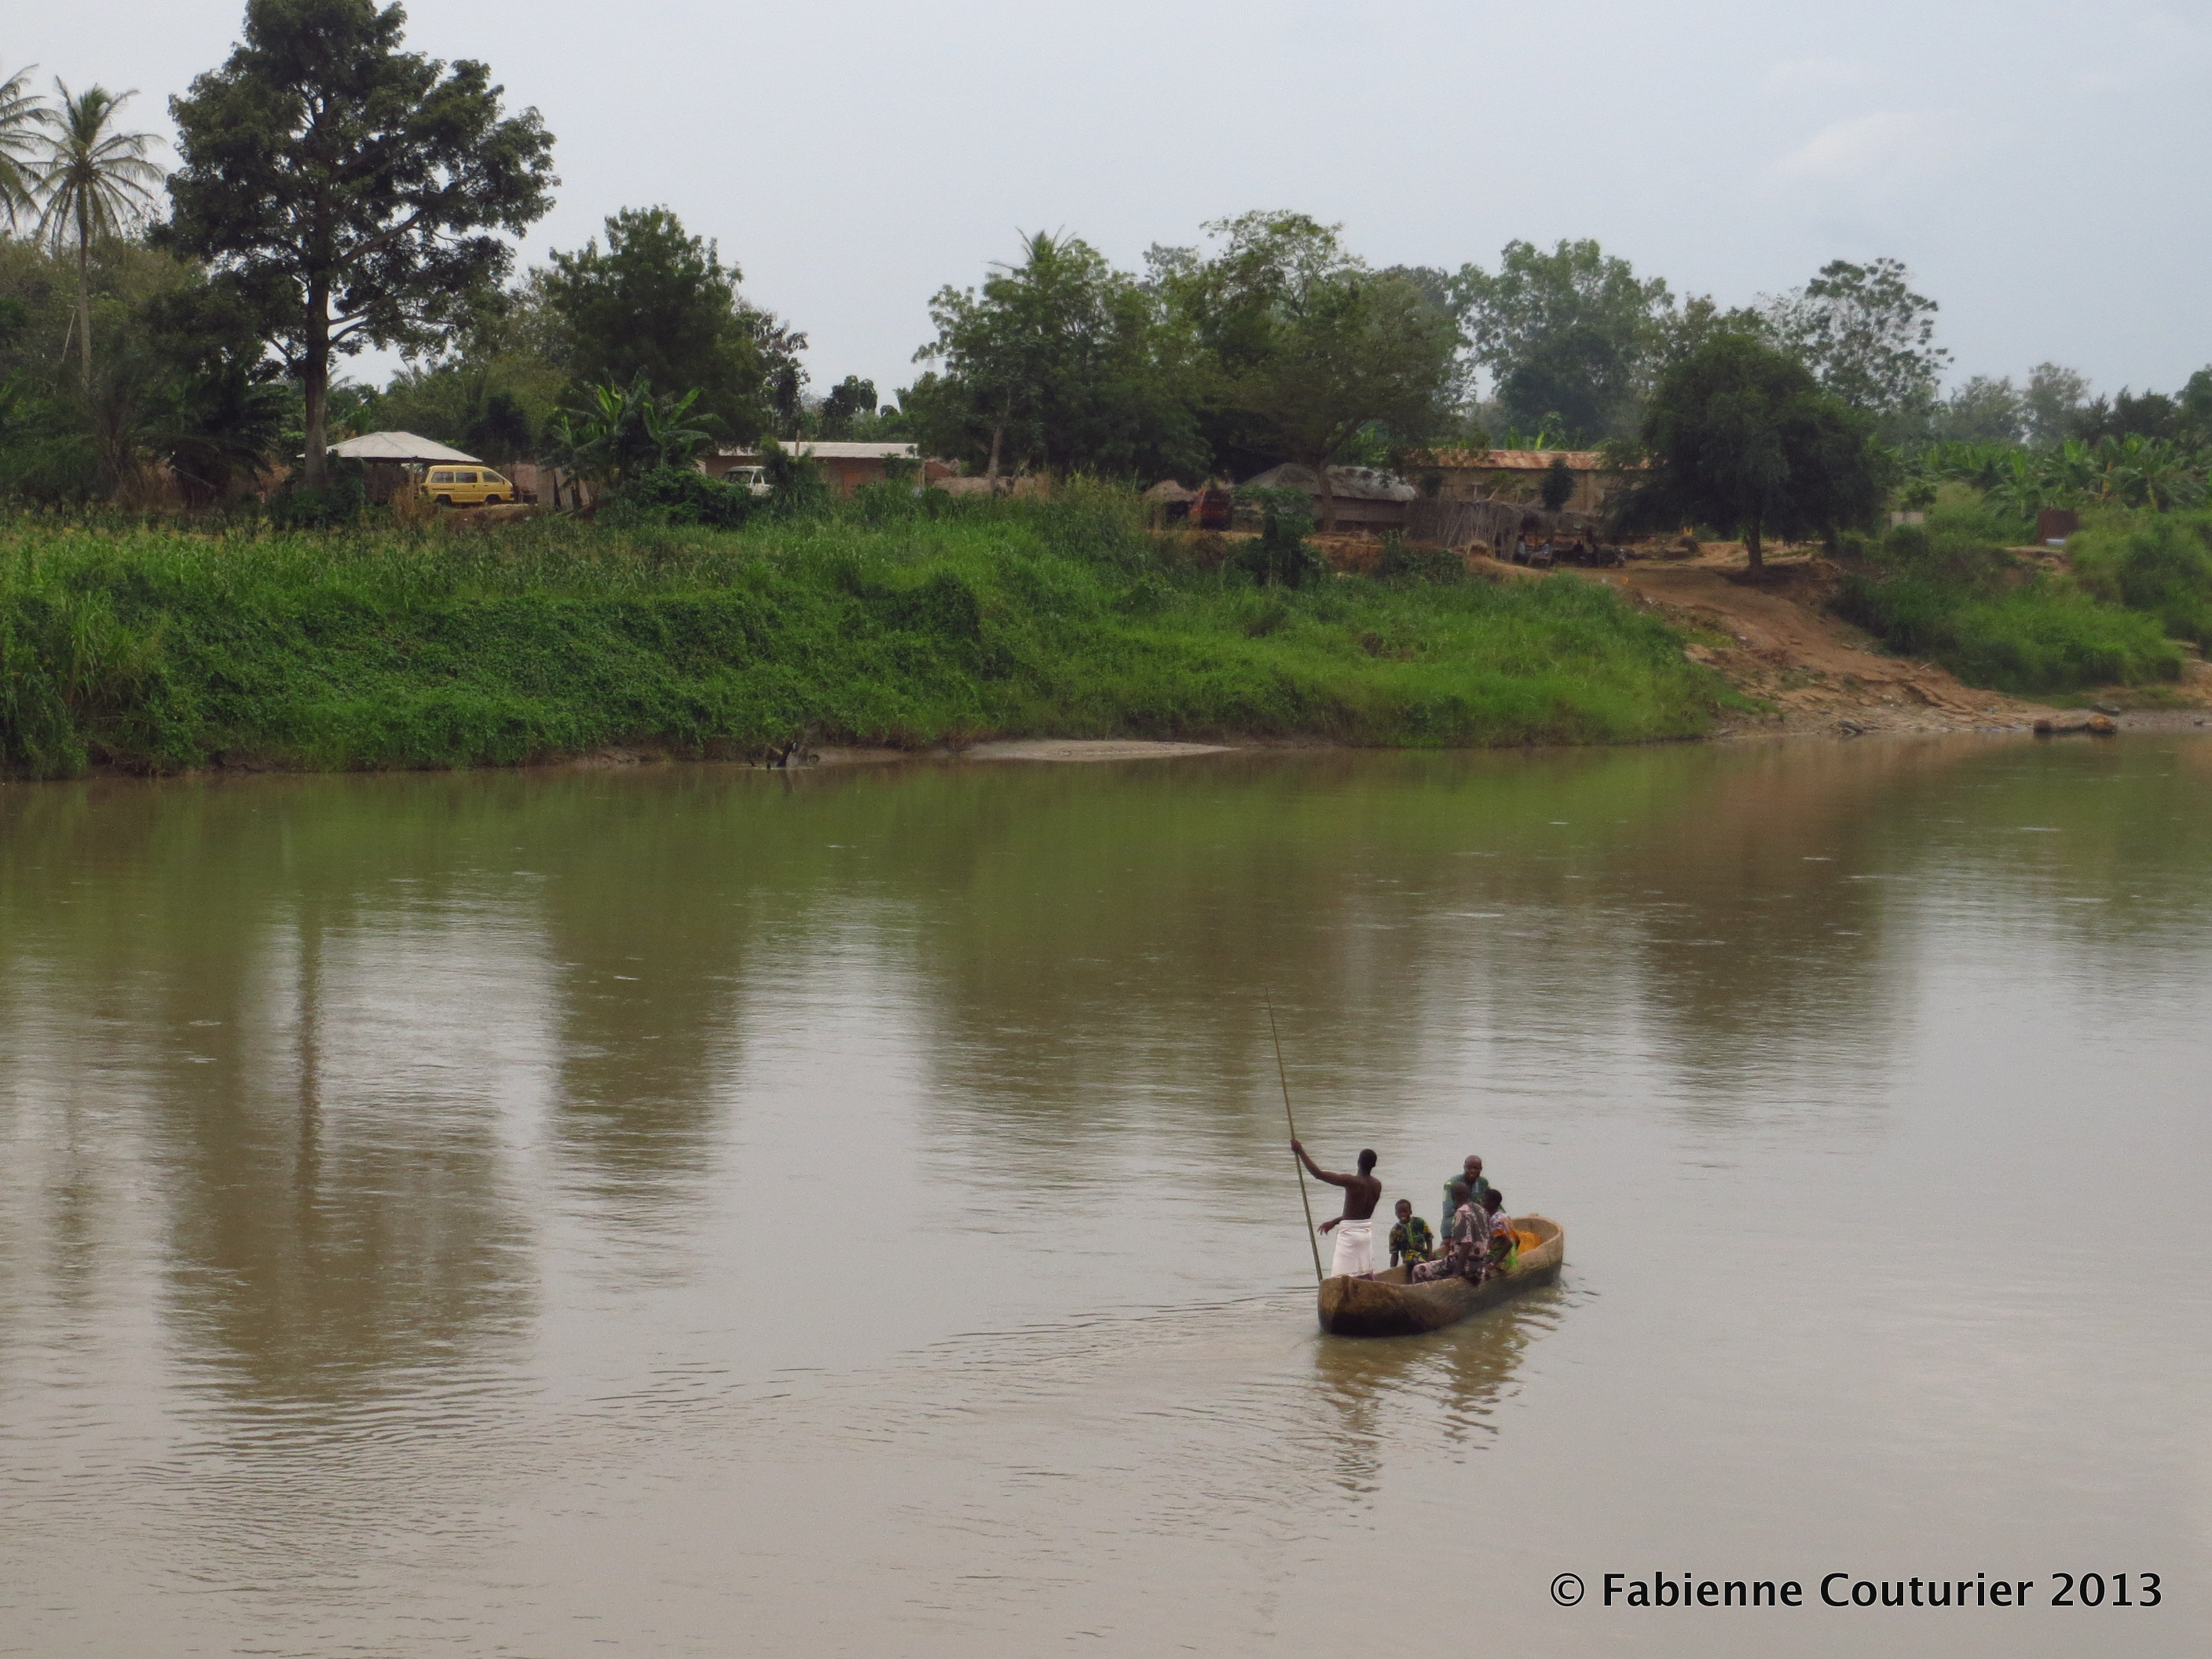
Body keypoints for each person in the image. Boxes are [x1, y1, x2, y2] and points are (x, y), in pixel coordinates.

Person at [1292, 1140, 1382, 1279]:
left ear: (1358, 1162)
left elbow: (1318, 1174)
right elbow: (1358, 1214)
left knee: (1339, 1276)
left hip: (1349, 1235)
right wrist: (1334, 1222)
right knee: (1363, 1273)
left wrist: (1300, 1151)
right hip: (1366, 1233)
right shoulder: (1377, 1185)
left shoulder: (1352, 1181)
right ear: (1374, 1165)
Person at [1412, 1179, 1485, 1284]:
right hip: (1479, 1266)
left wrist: (1457, 1272)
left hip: (1464, 1266)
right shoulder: (1481, 1210)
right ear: (1468, 1195)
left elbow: (1466, 1244)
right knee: (1438, 1262)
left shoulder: (1461, 1213)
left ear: (1454, 1197)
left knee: (1418, 1270)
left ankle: (1427, 1293)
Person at [1442, 1155, 1492, 1235]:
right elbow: (1448, 1212)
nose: (1472, 1171)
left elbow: (1494, 1203)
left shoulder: (1483, 1183)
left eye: (1476, 1168)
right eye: (1469, 1168)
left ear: (1481, 1169)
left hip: (1479, 1227)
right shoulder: (1452, 1184)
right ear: (1464, 1167)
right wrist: (1448, 1235)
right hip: (1455, 1226)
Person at [1387, 1199, 1434, 1271]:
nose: (1402, 1214)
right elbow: (1394, 1253)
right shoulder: (1395, 1231)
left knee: (1438, 1259)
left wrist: (1430, 1254)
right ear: (1396, 1214)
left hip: (1423, 1253)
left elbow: (1429, 1238)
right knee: (1415, 1261)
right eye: (1400, 1212)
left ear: (1410, 1212)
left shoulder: (1419, 1222)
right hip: (1409, 1259)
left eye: (1405, 1212)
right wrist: (1392, 1270)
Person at [1481, 1188, 1517, 1276]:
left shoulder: (1495, 1221)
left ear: (1493, 1203)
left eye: (1484, 1201)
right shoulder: (1505, 1217)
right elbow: (1517, 1240)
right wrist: (1512, 1257)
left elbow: (1508, 1244)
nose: (1482, 1203)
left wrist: (1492, 1264)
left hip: (1500, 1262)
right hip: (1511, 1260)